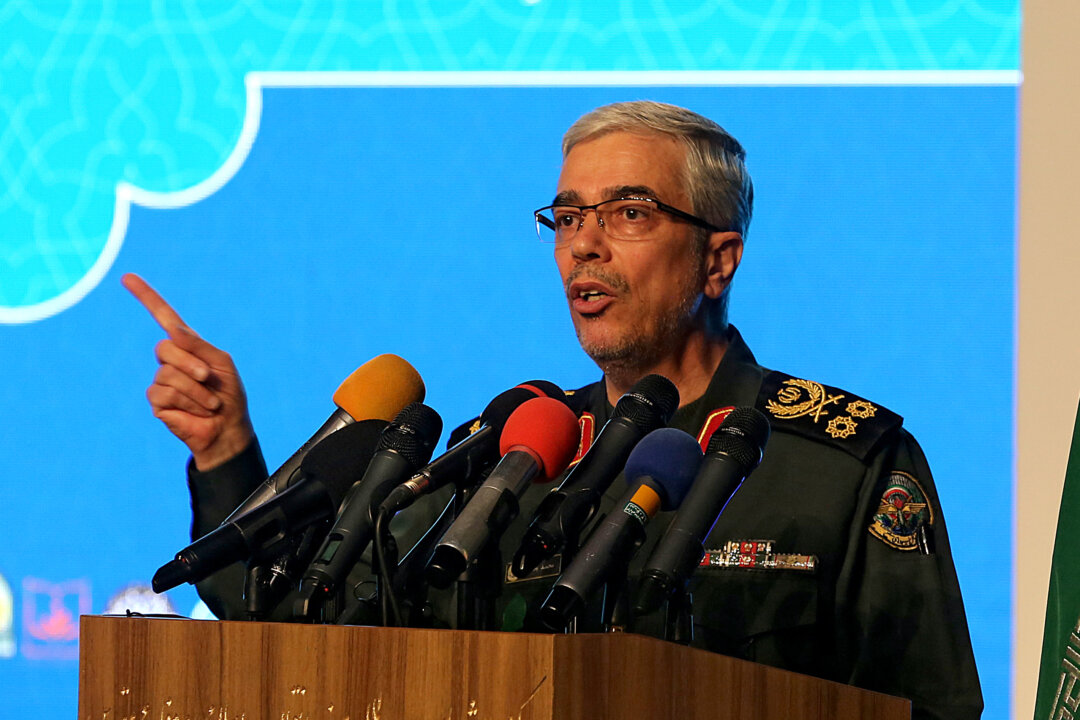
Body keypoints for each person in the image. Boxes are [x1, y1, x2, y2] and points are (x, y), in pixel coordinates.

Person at [126, 101, 983, 720]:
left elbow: (929, 706)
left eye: (629, 213)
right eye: (568, 217)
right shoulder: (513, 455)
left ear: (718, 260)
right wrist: (226, 451)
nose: (584, 244)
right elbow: (313, 622)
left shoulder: (838, 464)